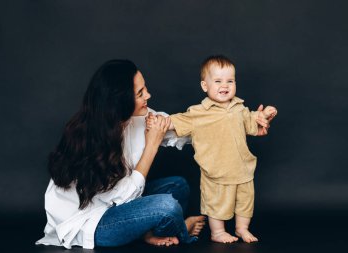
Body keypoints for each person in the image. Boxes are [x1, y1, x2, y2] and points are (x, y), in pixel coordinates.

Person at [35, 59, 206, 249]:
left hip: (118, 206)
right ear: (120, 101)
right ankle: (182, 229)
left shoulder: (136, 117)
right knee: (167, 206)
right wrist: (152, 146)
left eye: (145, 88)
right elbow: (122, 199)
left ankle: (145, 234)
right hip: (91, 222)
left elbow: (176, 127)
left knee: (178, 186)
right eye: (140, 93)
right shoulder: (92, 139)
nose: (148, 95)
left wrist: (220, 121)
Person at [146, 55, 277, 244]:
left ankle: (242, 228)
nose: (225, 85)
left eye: (230, 81)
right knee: (216, 203)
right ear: (205, 86)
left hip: (242, 168)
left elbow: (251, 123)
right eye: (218, 81)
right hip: (216, 170)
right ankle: (218, 232)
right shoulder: (199, 112)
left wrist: (263, 115)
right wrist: (159, 121)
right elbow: (178, 120)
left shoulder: (239, 108)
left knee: (245, 202)